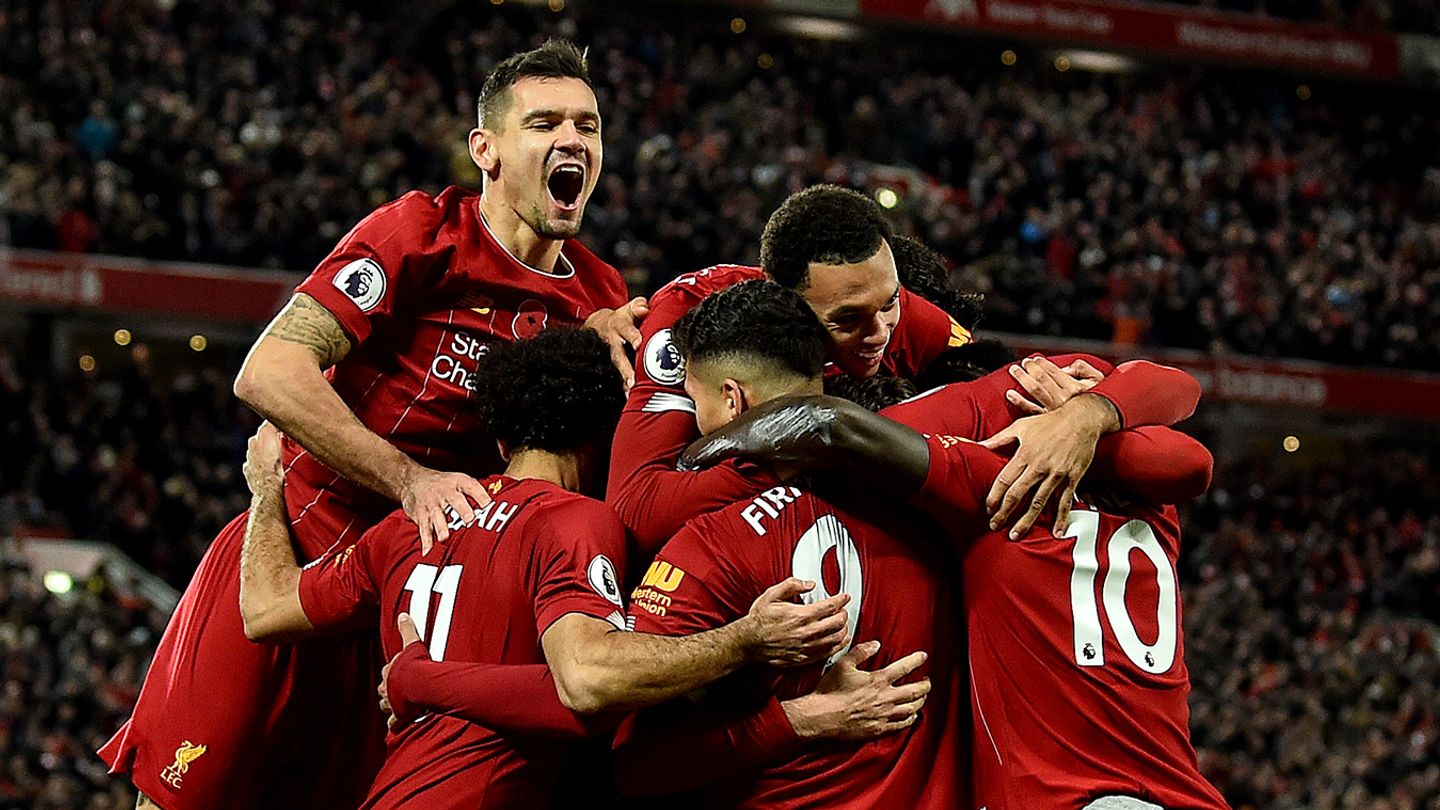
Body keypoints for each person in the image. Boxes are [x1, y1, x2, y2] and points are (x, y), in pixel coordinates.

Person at [100, 39, 647, 810]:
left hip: (397, 618)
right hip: (291, 556)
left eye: (588, 127)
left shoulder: (597, 294)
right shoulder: (418, 236)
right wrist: (409, 480)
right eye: (544, 122)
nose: (572, 140)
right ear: (486, 150)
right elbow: (268, 370)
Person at [235, 328, 860, 808]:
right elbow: (587, 684)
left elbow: (264, 609)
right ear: (603, 433)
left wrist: (266, 493)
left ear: (502, 439)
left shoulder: (407, 527)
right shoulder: (575, 522)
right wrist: (746, 642)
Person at [679, 352, 1230, 809]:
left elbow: (828, 424)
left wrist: (690, 468)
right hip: (1182, 790)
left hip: (1077, 797)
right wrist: (1091, 416)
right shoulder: (1160, 503)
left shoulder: (1001, 490)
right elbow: (1189, 442)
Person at [609, 281, 962, 807]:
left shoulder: (708, 545)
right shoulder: (940, 495)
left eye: (692, 396)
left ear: (732, 399)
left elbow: (632, 764)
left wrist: (796, 720)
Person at [607, 186, 974, 556]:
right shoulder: (692, 323)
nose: (880, 331)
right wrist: (799, 453)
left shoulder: (871, 295)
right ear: (784, 300)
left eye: (890, 302)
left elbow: (993, 378)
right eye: (848, 319)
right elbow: (637, 512)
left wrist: (1036, 427)